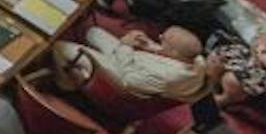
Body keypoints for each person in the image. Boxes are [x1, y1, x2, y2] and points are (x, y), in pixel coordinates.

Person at [51, 25, 215, 102]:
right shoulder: (195, 58)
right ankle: (78, 66)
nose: (159, 37)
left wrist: (125, 46)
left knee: (60, 46)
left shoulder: (168, 77)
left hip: (120, 76)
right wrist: (148, 44)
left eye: (163, 39)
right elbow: (166, 53)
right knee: (92, 32)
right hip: (134, 59)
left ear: (174, 53)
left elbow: (128, 80)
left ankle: (66, 84)